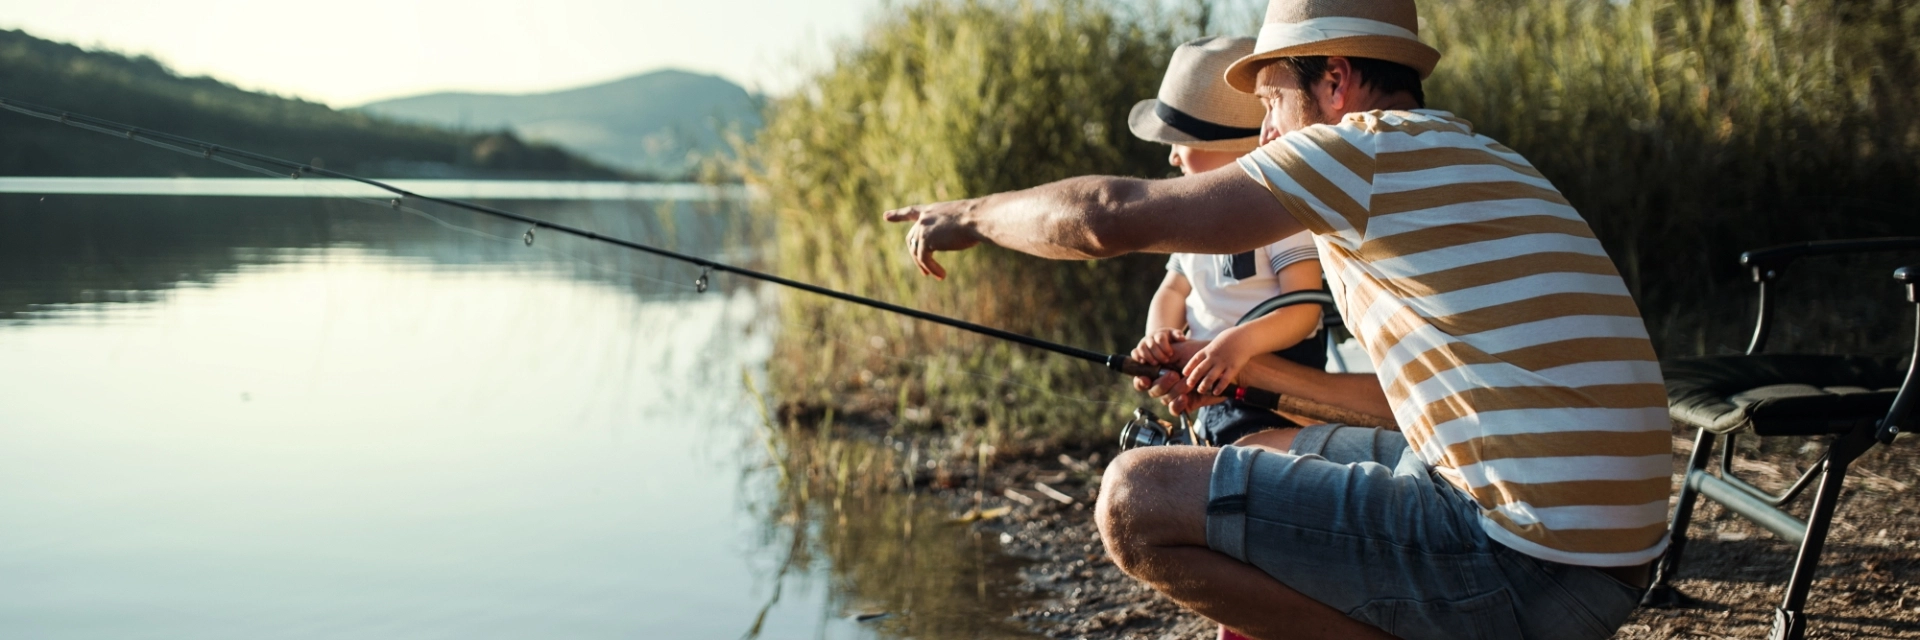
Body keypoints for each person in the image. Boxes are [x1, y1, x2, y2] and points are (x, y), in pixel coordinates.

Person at [882, 0, 1671, 638]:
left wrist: (974, 214)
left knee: (1135, 501)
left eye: (1269, 103)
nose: (1262, 134)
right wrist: (1245, 372)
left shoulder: (1356, 153)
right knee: (1285, 445)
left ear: (1334, 80)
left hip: (1521, 567)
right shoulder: (1477, 159)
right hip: (1611, 570)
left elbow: (1109, 218)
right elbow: (1408, 413)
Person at [1124, 35, 1326, 446]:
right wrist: (1158, 336)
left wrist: (1236, 346)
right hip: (1210, 390)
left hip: (1271, 394)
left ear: (1234, 150)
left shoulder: (1282, 213)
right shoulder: (1193, 222)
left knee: (1233, 462)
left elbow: (1304, 310)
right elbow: (1172, 289)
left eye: (1182, 143)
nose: (1172, 157)